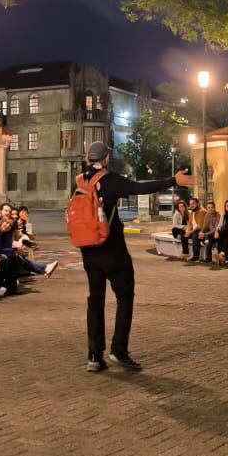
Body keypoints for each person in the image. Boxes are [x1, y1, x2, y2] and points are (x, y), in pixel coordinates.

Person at [78, 140, 192, 372]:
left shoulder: (79, 182)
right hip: (113, 251)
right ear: (107, 158)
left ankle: (93, 355)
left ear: (88, 158)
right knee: (124, 297)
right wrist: (172, 180)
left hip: (89, 251)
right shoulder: (110, 180)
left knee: (95, 300)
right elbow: (140, 188)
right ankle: (118, 350)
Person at [213, 199, 228, 264]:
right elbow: (220, 224)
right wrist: (217, 230)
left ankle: (220, 254)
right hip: (226, 232)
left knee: (224, 234)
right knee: (222, 236)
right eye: (227, 206)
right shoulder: (223, 214)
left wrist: (226, 229)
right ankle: (221, 255)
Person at [184, 197, 208, 264]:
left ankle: (196, 256)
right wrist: (187, 231)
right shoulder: (192, 212)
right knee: (182, 233)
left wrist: (190, 232)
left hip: (201, 230)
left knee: (195, 235)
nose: (192, 205)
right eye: (190, 204)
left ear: (197, 203)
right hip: (194, 230)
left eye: (193, 203)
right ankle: (185, 253)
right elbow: (189, 223)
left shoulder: (202, 211)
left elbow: (200, 226)